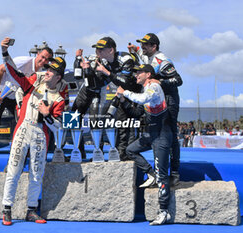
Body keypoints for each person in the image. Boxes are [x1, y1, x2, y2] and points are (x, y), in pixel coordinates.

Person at [0, 37, 66, 226]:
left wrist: (46, 115)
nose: (47, 72)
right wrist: (5, 53)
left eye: (51, 71)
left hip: (40, 135)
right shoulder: (33, 83)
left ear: (58, 76)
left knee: (37, 173)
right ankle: (7, 208)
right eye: (47, 69)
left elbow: (58, 127)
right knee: (13, 169)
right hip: (23, 129)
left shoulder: (59, 99)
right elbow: (15, 74)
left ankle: (31, 210)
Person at [0, 47, 54, 172]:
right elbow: (0, 69)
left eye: (46, 59)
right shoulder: (23, 61)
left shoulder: (42, 72)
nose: (43, 60)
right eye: (42, 57)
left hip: (14, 95)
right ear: (37, 54)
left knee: (22, 126)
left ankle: (16, 160)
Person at [117, 64, 172, 225]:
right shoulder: (144, 89)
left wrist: (124, 92)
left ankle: (164, 211)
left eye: (139, 72)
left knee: (162, 173)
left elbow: (142, 100)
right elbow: (137, 112)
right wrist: (122, 100)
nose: (136, 75)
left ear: (148, 74)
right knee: (130, 150)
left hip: (162, 134)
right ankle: (151, 174)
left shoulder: (154, 87)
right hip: (150, 133)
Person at [73, 37, 141, 160]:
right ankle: (108, 153)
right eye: (97, 49)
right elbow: (98, 83)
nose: (97, 52)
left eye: (100, 49)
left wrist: (107, 72)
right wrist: (88, 71)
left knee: (127, 124)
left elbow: (126, 83)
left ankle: (127, 156)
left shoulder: (125, 59)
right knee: (113, 120)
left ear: (111, 50)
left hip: (134, 92)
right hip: (122, 92)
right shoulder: (103, 62)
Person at [128, 33, 183, 185]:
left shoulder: (163, 61)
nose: (142, 47)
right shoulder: (146, 55)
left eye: (145, 45)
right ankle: (159, 171)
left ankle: (175, 173)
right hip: (157, 101)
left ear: (154, 47)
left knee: (171, 137)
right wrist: (135, 50)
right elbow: (142, 55)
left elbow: (178, 80)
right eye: (142, 44)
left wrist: (159, 81)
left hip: (170, 100)